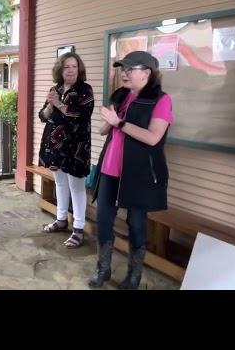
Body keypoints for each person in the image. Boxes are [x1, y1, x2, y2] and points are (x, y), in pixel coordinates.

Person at [88, 51, 173, 290]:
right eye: (122, 69)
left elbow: (153, 138)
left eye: (129, 69)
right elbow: (104, 131)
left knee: (136, 224)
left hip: (138, 174)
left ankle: (134, 275)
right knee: (104, 220)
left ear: (146, 73)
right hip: (109, 170)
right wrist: (110, 118)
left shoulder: (161, 100)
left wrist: (120, 123)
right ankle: (102, 269)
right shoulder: (121, 96)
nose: (123, 74)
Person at [39, 52, 94, 248]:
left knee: (76, 187)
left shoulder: (85, 90)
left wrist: (59, 104)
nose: (70, 70)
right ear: (60, 70)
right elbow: (43, 115)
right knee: (60, 183)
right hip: (56, 145)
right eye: (66, 67)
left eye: (73, 66)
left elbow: (80, 115)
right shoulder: (56, 89)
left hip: (76, 146)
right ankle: (61, 219)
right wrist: (50, 106)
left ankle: (78, 228)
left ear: (79, 69)